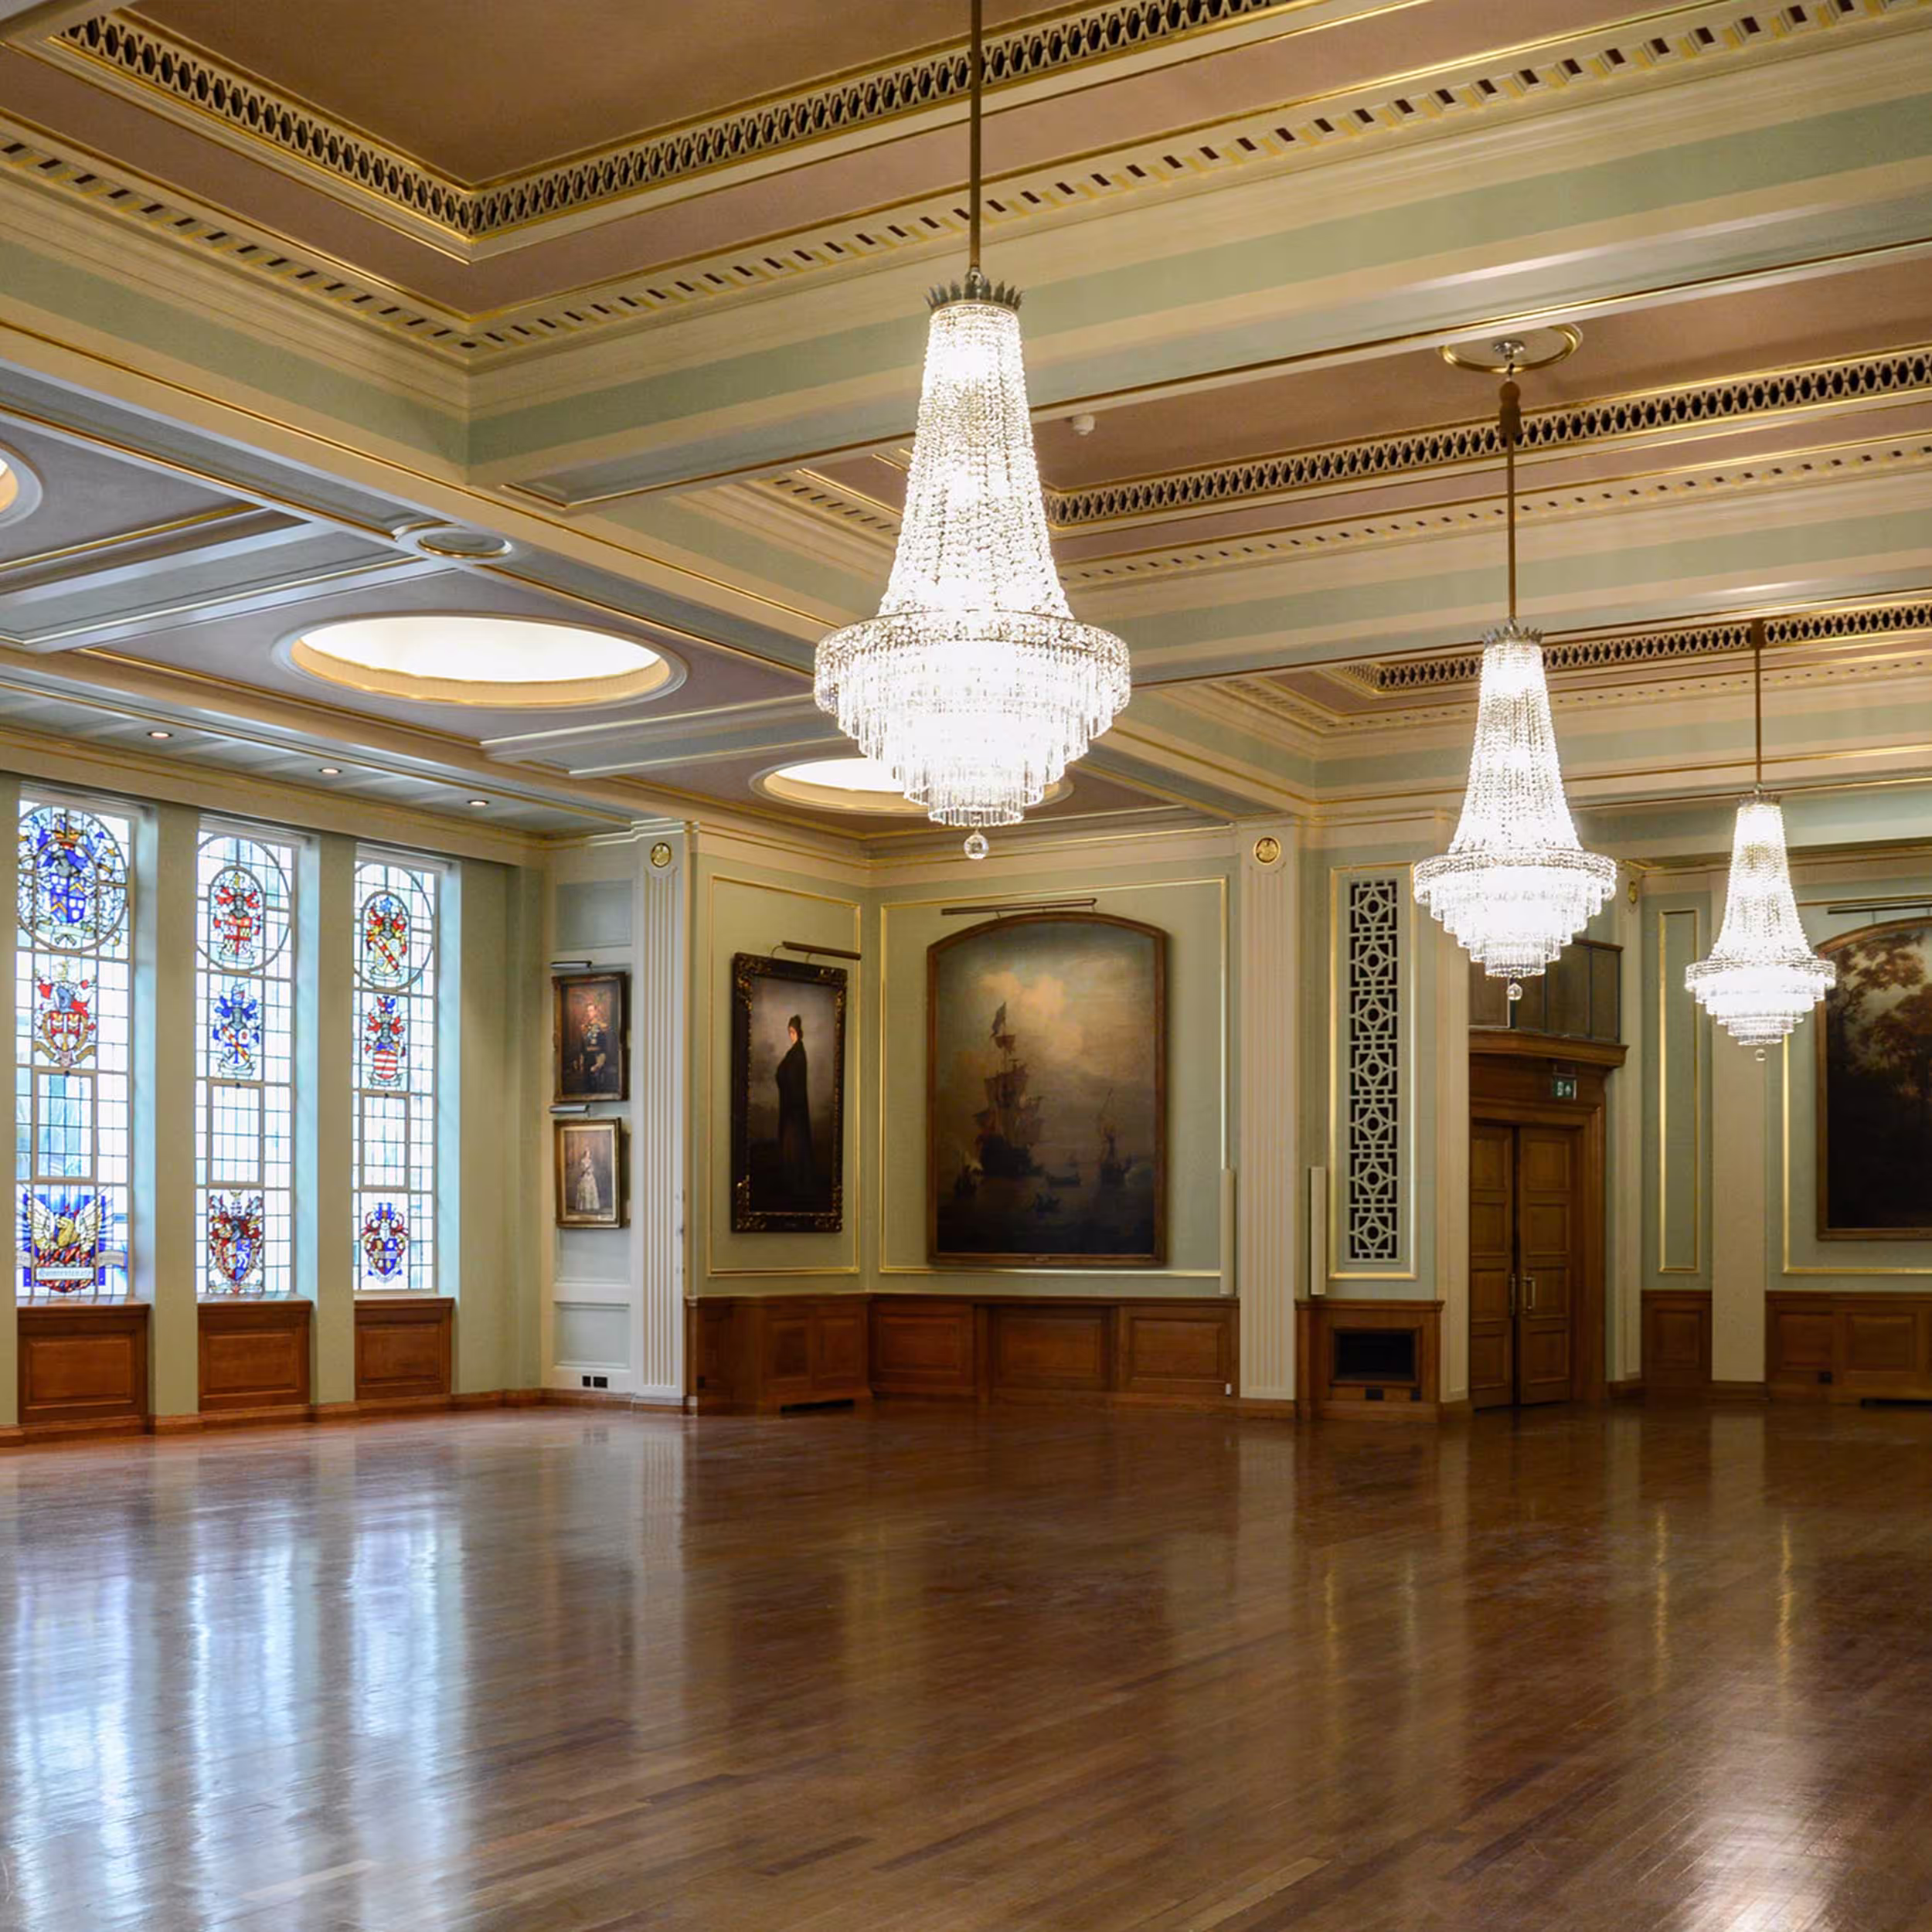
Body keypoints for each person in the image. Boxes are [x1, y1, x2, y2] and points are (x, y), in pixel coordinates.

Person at [775, 1013, 814, 1201]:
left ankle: (797, 1182)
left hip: (795, 1107)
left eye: (793, 1031)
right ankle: (790, 1180)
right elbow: (783, 1072)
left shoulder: (799, 1053)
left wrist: (783, 1077)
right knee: (790, 1143)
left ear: (799, 1032)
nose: (791, 1035)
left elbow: (793, 1077)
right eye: (789, 1032)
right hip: (791, 1106)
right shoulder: (794, 1052)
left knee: (795, 1143)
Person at [573, 1144, 603, 1215]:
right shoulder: (582, 1161)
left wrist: (590, 1171)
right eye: (587, 1153)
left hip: (590, 1176)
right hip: (585, 1176)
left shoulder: (590, 1160)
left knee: (591, 1189)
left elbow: (592, 1168)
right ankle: (584, 1206)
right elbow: (582, 1168)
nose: (588, 1155)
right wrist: (586, 1170)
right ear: (585, 1154)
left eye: (589, 1153)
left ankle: (591, 1206)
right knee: (585, 1189)